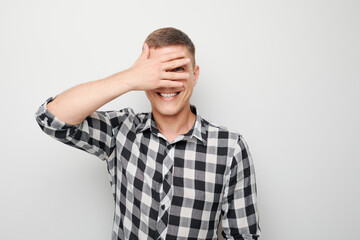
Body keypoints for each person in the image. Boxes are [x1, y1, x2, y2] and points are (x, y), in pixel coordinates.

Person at [35, 27, 260, 240]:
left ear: (195, 74)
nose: (167, 82)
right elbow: (51, 119)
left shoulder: (230, 148)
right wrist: (130, 78)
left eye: (178, 70)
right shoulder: (121, 130)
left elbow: (242, 235)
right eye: (157, 72)